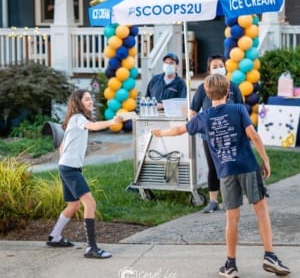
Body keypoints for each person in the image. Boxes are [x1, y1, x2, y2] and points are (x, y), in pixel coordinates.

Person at [152, 74, 291, 277]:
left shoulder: (203, 117)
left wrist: (160, 133)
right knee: (261, 210)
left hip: (225, 172)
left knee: (231, 217)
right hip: (247, 166)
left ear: (207, 94)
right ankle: (270, 255)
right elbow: (253, 135)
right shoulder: (238, 109)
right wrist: (266, 160)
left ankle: (231, 264)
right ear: (228, 92)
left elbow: (178, 130)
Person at [46, 89, 123, 259]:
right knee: (90, 204)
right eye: (87, 99)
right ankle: (91, 248)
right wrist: (112, 121)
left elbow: (61, 146)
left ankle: (55, 236)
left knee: (74, 205)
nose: (90, 102)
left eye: (91, 99)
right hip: (70, 169)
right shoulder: (78, 118)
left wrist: (67, 158)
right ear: (78, 102)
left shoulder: (74, 120)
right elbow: (94, 126)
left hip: (66, 166)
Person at [190, 54, 243, 213]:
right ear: (209, 70)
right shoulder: (202, 88)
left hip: (230, 135)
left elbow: (241, 110)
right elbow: (193, 111)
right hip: (210, 136)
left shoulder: (233, 87)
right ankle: (213, 201)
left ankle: (231, 200)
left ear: (225, 67)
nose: (218, 68)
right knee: (213, 167)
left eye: (220, 65)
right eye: (214, 66)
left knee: (229, 167)